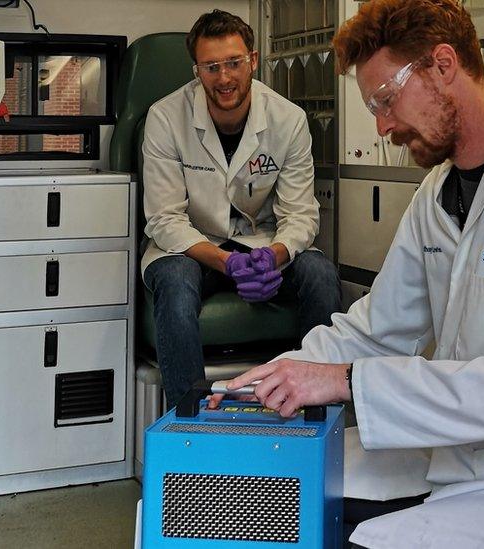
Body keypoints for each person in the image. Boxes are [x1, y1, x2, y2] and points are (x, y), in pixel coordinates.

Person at [210, 0, 484, 546]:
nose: (381, 125)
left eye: (385, 99)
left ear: (443, 66)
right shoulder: (436, 194)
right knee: (270, 492)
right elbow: (378, 328)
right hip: (462, 459)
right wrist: (271, 378)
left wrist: (344, 381)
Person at [141, 9, 341, 406]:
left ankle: (317, 412)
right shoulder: (165, 117)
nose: (225, 77)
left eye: (234, 62)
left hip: (262, 243)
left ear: (253, 59)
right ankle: (190, 421)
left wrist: (275, 254)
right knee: (174, 283)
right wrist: (224, 262)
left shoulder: (289, 119)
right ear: (196, 70)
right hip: (195, 247)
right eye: (211, 67)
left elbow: (300, 214)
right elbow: (164, 219)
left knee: (320, 273)